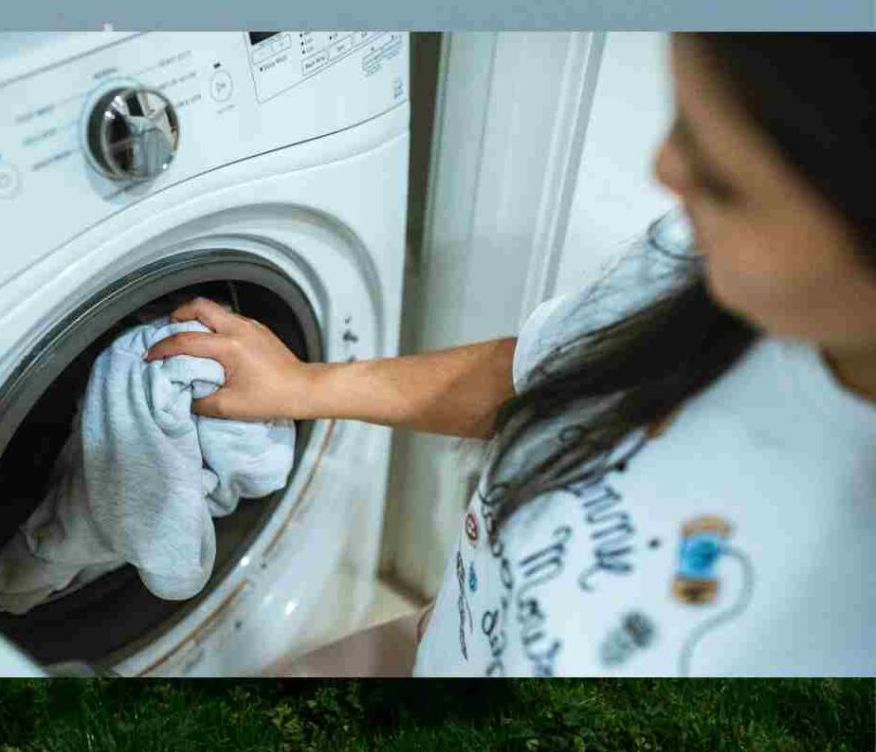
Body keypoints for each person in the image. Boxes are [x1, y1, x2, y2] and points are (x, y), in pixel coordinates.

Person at [144, 33, 876, 676]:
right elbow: (535, 374)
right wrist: (304, 385)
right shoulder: (685, 265)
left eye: (723, 179)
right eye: (681, 120)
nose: (664, 171)